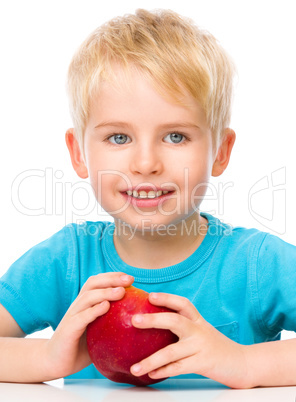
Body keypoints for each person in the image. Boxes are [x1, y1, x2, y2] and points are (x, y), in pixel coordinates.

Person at [0, 8, 296, 389]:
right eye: (119, 138)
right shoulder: (65, 260)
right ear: (79, 153)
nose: (145, 163)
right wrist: (47, 356)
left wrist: (243, 361)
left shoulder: (257, 264)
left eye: (175, 136)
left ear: (220, 151)